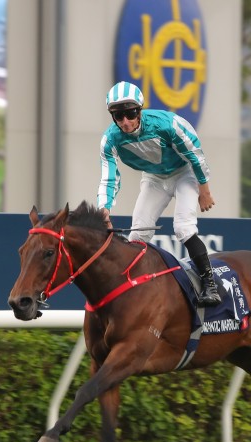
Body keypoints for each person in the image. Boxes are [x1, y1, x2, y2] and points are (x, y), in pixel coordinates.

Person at [97, 81, 221, 306]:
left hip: (185, 173)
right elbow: (109, 177)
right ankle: (133, 288)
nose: (125, 122)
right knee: (137, 235)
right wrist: (104, 209)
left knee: (183, 227)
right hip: (154, 178)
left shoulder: (167, 124)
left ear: (140, 110)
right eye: (118, 116)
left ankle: (210, 285)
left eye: (130, 113)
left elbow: (195, 155)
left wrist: (205, 190)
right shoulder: (110, 139)